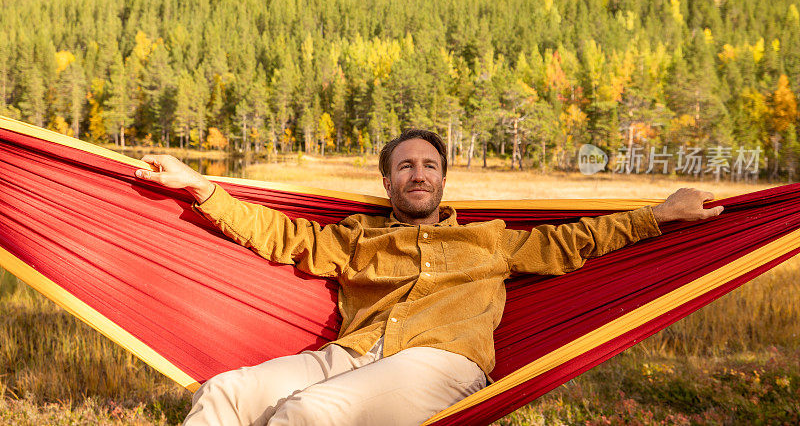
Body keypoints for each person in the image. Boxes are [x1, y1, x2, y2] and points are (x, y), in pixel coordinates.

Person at [134, 128, 723, 426]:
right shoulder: (355, 235)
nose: (419, 174)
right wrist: (198, 185)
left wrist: (662, 213)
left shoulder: (490, 239)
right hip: (353, 352)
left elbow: (577, 240)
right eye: (405, 166)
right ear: (387, 182)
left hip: (441, 362)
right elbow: (276, 233)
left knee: (306, 415)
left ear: (443, 181)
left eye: (429, 165)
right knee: (224, 393)